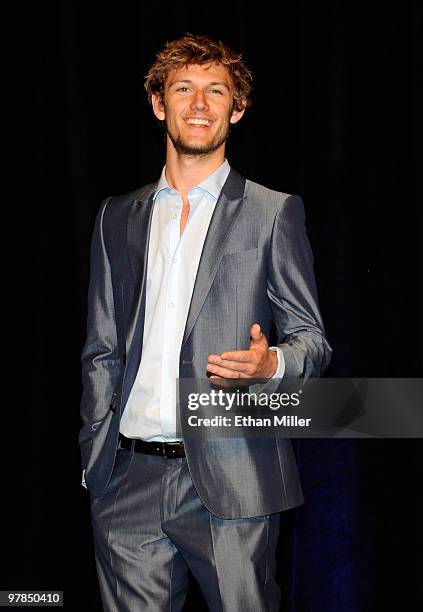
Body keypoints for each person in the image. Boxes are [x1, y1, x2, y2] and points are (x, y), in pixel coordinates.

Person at [79, 32, 331, 611]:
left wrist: (274, 364)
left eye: (215, 91)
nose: (199, 104)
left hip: (233, 476)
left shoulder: (272, 212)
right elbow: (101, 347)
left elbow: (312, 341)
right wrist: (96, 461)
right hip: (127, 481)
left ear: (237, 109)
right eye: (183, 88)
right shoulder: (115, 216)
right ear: (158, 104)